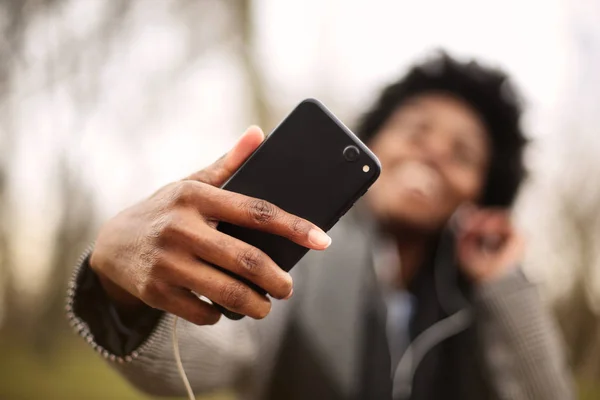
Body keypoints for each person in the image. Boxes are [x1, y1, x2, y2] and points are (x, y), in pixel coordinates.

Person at [67, 52, 574, 400]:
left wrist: (504, 282)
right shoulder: (299, 250)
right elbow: (209, 356)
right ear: (374, 145)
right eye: (416, 130)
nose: (435, 152)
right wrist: (116, 288)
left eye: (462, 152)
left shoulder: (485, 301)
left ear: (482, 193)